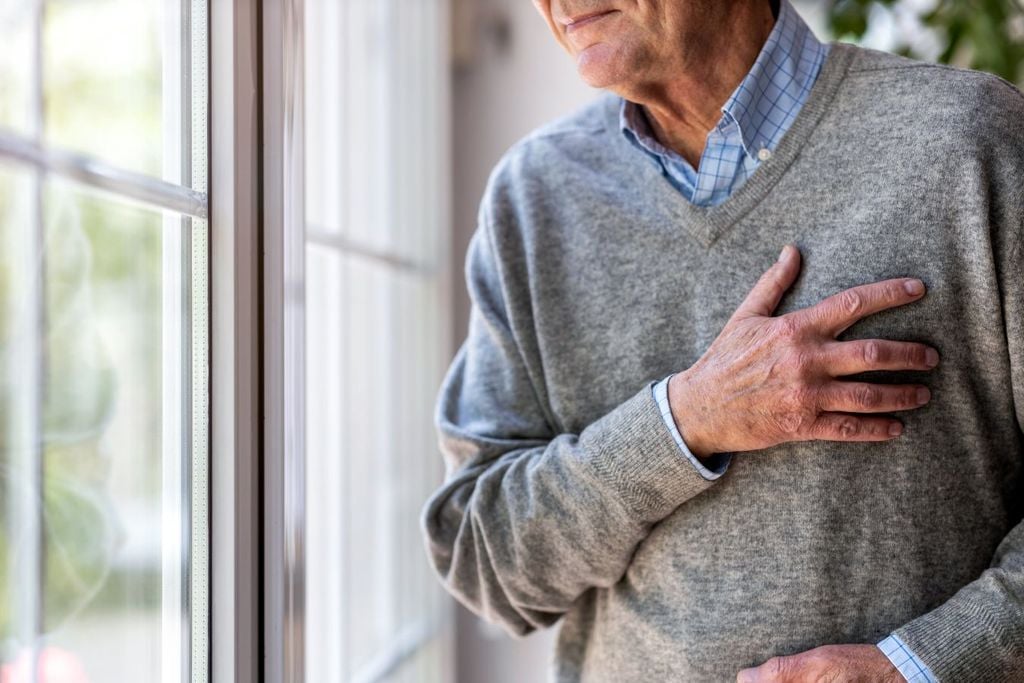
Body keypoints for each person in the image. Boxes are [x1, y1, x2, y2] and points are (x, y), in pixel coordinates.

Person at [421, 0, 1024, 680]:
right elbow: (483, 560)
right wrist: (684, 420)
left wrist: (918, 667)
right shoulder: (532, 200)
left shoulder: (973, 143)